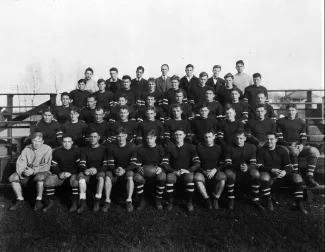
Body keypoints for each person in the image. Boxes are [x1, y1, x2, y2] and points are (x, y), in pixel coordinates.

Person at [257, 132, 308, 214]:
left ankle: (299, 204)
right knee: (264, 176)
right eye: (267, 139)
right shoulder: (261, 150)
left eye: (272, 139)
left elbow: (290, 166)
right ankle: (268, 201)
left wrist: (284, 171)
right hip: (269, 176)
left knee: (297, 177)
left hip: (282, 175)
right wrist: (271, 170)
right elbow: (258, 166)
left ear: (276, 140)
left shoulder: (281, 150)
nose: (269, 141)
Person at [276, 103, 320, 187]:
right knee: (294, 151)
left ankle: (309, 177)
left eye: (293, 110)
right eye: (289, 110)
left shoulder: (300, 122)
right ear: (286, 111)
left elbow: (303, 137)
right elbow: (279, 139)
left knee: (314, 151)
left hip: (297, 145)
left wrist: (302, 145)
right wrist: (290, 144)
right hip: (285, 146)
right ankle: (296, 176)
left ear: (296, 111)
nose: (291, 112)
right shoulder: (280, 122)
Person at [8, 132, 52, 211]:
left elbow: (46, 165)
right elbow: (21, 162)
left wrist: (33, 171)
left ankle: (38, 200)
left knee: (40, 177)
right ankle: (20, 199)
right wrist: (23, 171)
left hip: (42, 172)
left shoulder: (48, 149)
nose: (37, 143)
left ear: (42, 142)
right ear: (31, 141)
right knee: (13, 177)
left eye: (39, 141)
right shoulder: (26, 149)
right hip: (27, 172)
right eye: (35, 141)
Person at [161, 128, 200, 211]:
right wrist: (173, 171)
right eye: (176, 134)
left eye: (180, 134)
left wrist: (189, 170)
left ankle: (189, 202)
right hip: (175, 171)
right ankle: (170, 201)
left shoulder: (190, 147)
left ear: (184, 136)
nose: (178, 136)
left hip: (186, 171)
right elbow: (164, 163)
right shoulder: (170, 148)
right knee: (169, 178)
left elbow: (197, 162)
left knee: (190, 178)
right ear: (174, 136)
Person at [224, 129, 264, 210]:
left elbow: (253, 163)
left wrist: (247, 167)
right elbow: (227, 164)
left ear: (245, 138)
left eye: (241, 138)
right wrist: (238, 166)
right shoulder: (228, 147)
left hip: (247, 168)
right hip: (234, 168)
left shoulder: (252, 147)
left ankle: (255, 199)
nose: (238, 140)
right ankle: (231, 198)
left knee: (256, 173)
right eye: (237, 138)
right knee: (228, 173)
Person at [100, 127, 138, 212]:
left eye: (123, 136)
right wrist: (115, 170)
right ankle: (107, 200)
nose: (121, 138)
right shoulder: (111, 147)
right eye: (119, 136)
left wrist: (124, 170)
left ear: (126, 136)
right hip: (115, 169)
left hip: (127, 170)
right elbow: (110, 163)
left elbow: (133, 164)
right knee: (107, 177)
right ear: (116, 137)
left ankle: (129, 200)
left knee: (130, 176)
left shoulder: (132, 146)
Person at [43, 135, 80, 212]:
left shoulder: (77, 151)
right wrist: (59, 173)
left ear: (72, 142)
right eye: (64, 141)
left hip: (72, 174)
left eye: (69, 142)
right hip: (61, 174)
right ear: (62, 142)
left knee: (75, 181)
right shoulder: (56, 151)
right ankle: (50, 202)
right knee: (49, 180)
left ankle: (74, 202)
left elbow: (80, 166)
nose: (67, 144)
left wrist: (71, 173)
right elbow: (54, 165)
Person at [134, 130, 166, 210]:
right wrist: (138, 168)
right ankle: (142, 201)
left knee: (162, 177)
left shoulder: (160, 148)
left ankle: (158, 199)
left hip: (157, 171)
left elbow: (164, 162)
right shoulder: (141, 149)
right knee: (137, 177)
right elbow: (137, 163)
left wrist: (161, 168)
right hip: (145, 171)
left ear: (155, 138)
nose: (149, 140)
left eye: (151, 138)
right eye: (147, 138)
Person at [76, 130, 108, 213]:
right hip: (88, 170)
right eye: (91, 137)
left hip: (99, 170)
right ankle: (82, 202)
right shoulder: (84, 149)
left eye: (95, 137)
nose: (93, 139)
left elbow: (105, 165)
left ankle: (97, 201)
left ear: (98, 138)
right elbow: (82, 163)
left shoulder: (104, 149)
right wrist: (85, 169)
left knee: (101, 178)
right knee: (81, 179)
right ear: (88, 138)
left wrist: (96, 170)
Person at [194, 129, 226, 210]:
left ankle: (215, 198)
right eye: (206, 137)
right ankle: (207, 199)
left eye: (210, 137)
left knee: (222, 178)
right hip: (202, 171)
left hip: (215, 171)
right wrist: (204, 172)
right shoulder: (199, 147)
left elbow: (222, 163)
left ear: (214, 137)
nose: (208, 139)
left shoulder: (219, 148)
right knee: (197, 178)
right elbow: (196, 163)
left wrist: (215, 170)